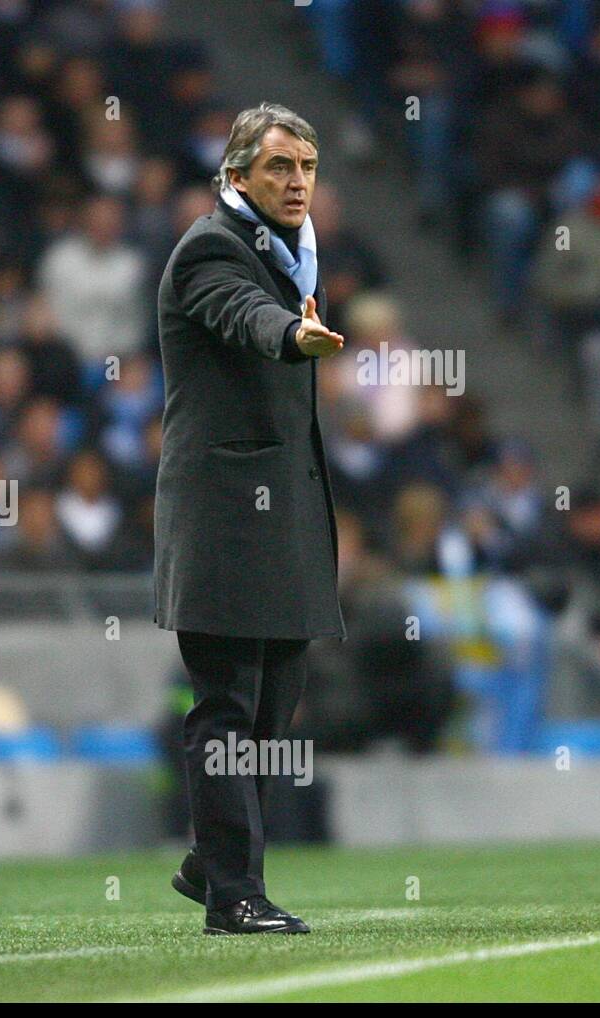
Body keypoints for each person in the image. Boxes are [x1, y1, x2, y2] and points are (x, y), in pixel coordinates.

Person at [153, 103, 347, 935]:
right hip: (226, 518)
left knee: (272, 717)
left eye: (306, 167)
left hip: (285, 518)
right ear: (236, 177)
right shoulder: (210, 248)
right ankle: (235, 894)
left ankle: (210, 862)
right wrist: (290, 337)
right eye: (279, 167)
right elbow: (244, 313)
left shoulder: (293, 258)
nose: (297, 181)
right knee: (227, 707)